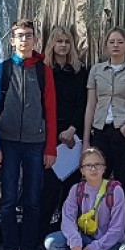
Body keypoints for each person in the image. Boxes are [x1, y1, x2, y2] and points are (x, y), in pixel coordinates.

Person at [0, 19, 60, 250]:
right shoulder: (3, 70)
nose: (24, 40)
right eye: (20, 36)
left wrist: (50, 148)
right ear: (12, 41)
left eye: (29, 35)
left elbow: (51, 111)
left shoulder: (44, 71)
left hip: (36, 143)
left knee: (32, 200)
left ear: (35, 40)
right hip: (7, 143)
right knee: (9, 199)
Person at [83, 26, 125, 237]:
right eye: (112, 42)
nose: (116, 46)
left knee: (124, 184)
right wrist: (86, 141)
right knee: (96, 182)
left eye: (120, 42)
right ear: (106, 45)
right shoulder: (96, 71)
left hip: (124, 133)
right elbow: (91, 106)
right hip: (101, 132)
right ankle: (94, 232)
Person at [46, 148, 125, 250]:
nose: (93, 169)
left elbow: (117, 228)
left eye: (97, 164)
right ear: (82, 170)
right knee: (51, 243)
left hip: (109, 241)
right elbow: (68, 218)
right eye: (88, 165)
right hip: (84, 236)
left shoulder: (115, 190)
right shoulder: (76, 189)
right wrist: (75, 241)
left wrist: (96, 247)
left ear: (104, 168)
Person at [41, 24, 89, 227]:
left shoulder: (79, 71)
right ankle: (41, 234)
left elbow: (83, 103)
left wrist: (72, 129)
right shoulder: (43, 71)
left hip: (73, 137)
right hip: (48, 135)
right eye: (59, 41)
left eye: (67, 42)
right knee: (48, 188)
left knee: (71, 188)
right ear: (52, 44)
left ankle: (68, 232)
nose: (63, 45)